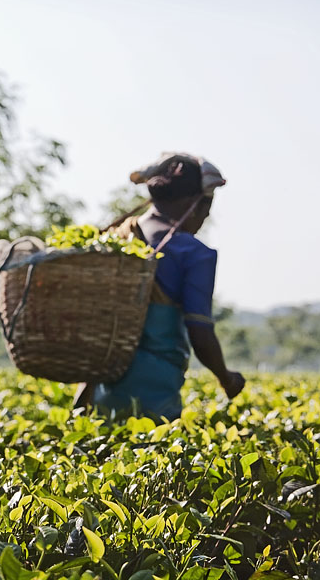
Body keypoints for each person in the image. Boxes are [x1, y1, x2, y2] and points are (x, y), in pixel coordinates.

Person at [77, 153, 247, 420]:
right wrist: (227, 378)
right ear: (197, 205)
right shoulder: (193, 253)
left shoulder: (115, 238)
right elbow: (200, 332)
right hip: (154, 393)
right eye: (207, 211)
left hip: (100, 387)